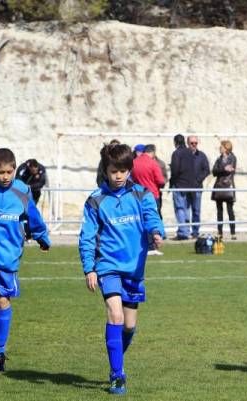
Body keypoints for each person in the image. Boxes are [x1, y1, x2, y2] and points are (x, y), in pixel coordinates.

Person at [79, 143, 164, 395]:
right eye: (113, 170)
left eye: (123, 170)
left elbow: (152, 216)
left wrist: (156, 232)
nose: (118, 176)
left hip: (134, 269)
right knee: (114, 316)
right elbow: (86, 237)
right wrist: (89, 268)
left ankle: (116, 354)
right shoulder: (96, 200)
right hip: (108, 267)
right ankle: (117, 375)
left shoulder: (142, 195)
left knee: (128, 326)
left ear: (130, 170)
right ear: (105, 170)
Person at [0, 148, 51, 372]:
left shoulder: (22, 190)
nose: (5, 176)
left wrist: (41, 237)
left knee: (3, 302)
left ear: (14, 169)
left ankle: (0, 351)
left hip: (10, 255)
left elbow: (33, 216)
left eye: (9, 172)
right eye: (1, 172)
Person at [131, 144, 166, 255]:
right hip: (152, 195)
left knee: (139, 220)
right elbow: (160, 181)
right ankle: (152, 246)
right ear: (153, 152)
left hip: (136, 195)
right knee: (152, 218)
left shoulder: (134, 162)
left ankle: (141, 245)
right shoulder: (153, 163)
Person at [169, 134, 196, 240]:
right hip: (190, 184)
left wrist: (172, 182)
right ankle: (187, 230)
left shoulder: (176, 153)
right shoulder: (190, 152)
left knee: (179, 208)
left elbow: (175, 170)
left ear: (175, 142)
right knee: (186, 208)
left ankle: (183, 232)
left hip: (179, 184)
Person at [211, 140, 237, 240]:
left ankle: (233, 232)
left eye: (221, 147)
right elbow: (214, 171)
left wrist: (222, 170)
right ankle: (220, 232)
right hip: (219, 187)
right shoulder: (219, 159)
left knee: (230, 210)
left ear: (226, 148)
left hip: (228, 186)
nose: (220, 148)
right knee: (219, 211)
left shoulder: (232, 158)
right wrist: (223, 169)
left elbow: (230, 169)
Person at [187, 135, 210, 237]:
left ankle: (195, 231)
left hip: (197, 187)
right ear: (188, 143)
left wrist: (198, 179)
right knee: (185, 211)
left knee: (196, 210)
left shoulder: (202, 156)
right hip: (185, 187)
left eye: (195, 143)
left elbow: (206, 170)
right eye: (192, 143)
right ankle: (185, 231)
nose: (194, 145)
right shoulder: (183, 155)